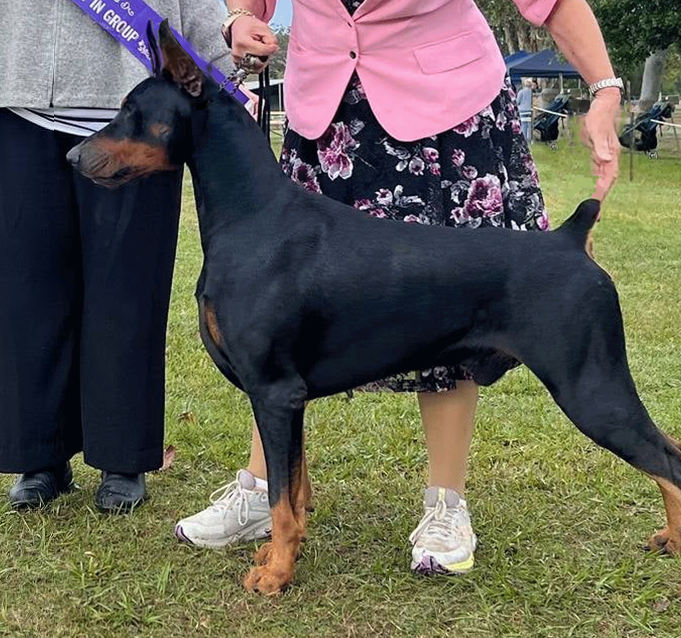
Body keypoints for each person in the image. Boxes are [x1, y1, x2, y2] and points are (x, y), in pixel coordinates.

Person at [176, 0, 621, 575]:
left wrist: (605, 88)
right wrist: (238, 19)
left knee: (455, 305)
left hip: (445, 113)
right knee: (273, 319)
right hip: (325, 120)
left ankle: (446, 504)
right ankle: (265, 492)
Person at [0, 1, 232, 511]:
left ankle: (123, 458)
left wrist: (222, 43)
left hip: (136, 116)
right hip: (19, 100)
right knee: (28, 289)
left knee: (128, 291)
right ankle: (40, 456)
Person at [516, 78, 534, 143]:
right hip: (530, 110)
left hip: (522, 111)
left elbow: (517, 102)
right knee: (530, 126)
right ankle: (530, 140)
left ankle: (524, 139)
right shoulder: (532, 92)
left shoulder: (521, 92)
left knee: (524, 126)